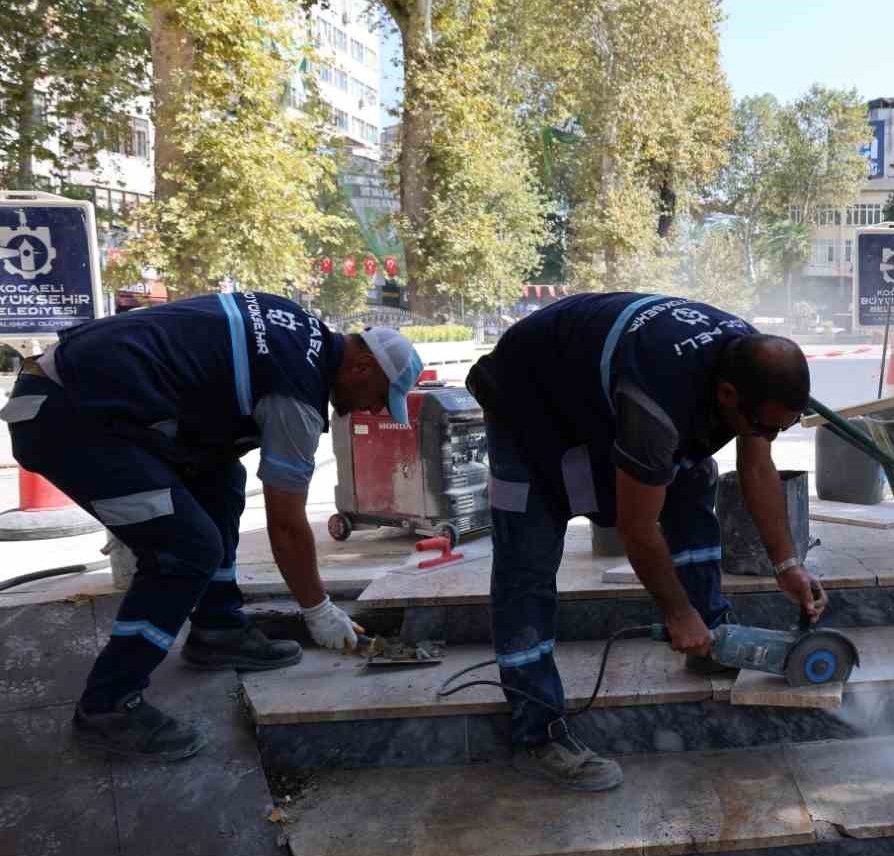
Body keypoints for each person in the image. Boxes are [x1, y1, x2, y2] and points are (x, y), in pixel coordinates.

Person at [2, 292, 422, 761]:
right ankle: (109, 704)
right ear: (362, 368)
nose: (374, 411)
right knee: (185, 550)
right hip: (68, 416)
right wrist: (318, 610)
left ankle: (218, 628)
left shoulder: (295, 325)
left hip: (79, 394)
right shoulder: (296, 394)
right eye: (381, 398)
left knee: (222, 478)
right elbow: (285, 524)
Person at [466, 292, 826, 792]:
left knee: (691, 480)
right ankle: (536, 730)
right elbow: (637, 529)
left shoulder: (748, 361)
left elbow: (756, 461)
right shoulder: (657, 403)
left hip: (595, 389)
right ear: (725, 395)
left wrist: (787, 562)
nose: (770, 435)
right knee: (527, 559)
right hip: (525, 400)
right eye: (766, 425)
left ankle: (711, 642)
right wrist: (675, 613)